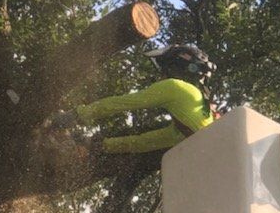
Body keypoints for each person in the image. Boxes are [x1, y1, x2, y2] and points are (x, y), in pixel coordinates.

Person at [55, 43, 218, 154]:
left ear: (173, 67)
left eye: (163, 70)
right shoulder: (196, 113)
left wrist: (75, 115)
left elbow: (121, 104)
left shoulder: (174, 87)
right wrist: (98, 145)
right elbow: (143, 142)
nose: (161, 76)